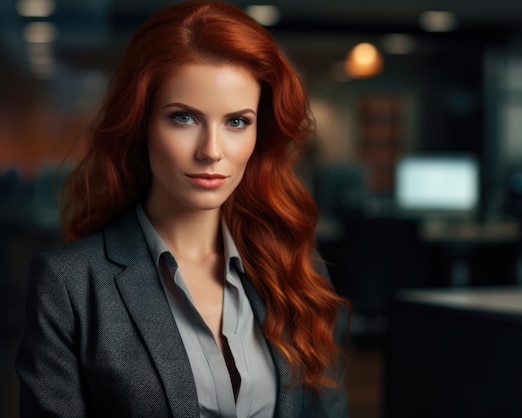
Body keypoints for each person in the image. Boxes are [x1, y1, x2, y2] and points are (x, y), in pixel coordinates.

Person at [15, 1, 350, 417]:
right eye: (184, 118)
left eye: (237, 122)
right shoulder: (70, 285)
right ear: (141, 123)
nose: (211, 151)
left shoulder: (296, 267)